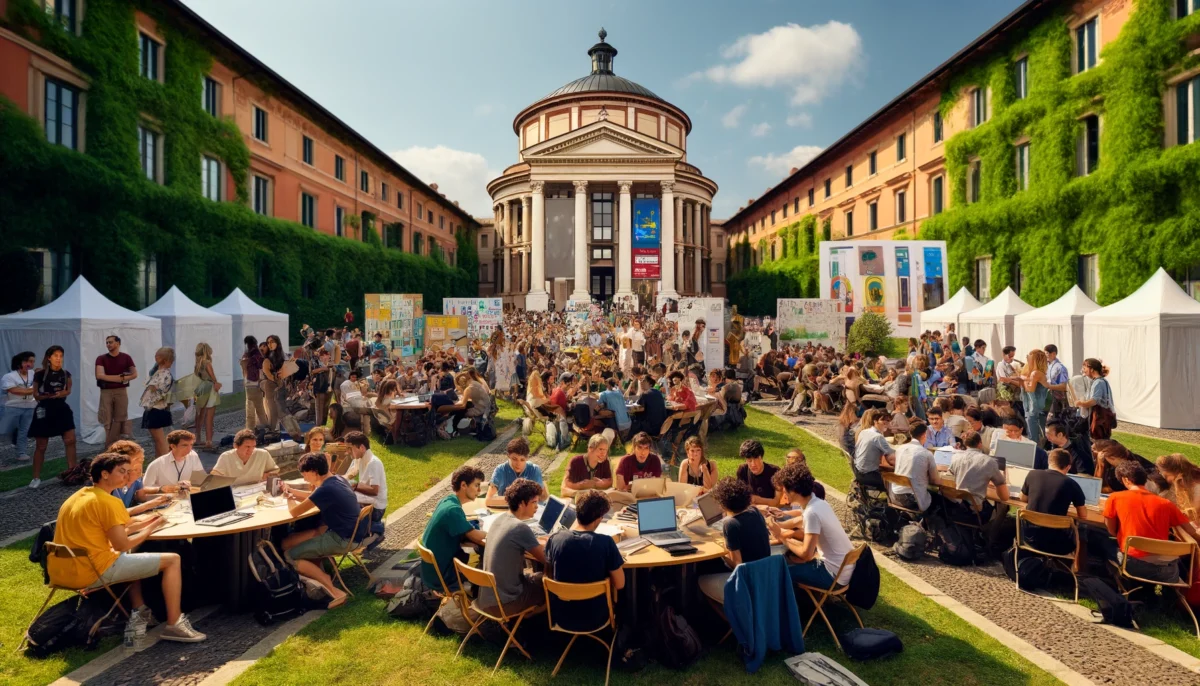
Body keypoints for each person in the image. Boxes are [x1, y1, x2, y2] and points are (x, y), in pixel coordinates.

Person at [49, 452, 206, 642]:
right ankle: (174, 624)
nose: (126, 476)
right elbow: (122, 542)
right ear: (105, 474)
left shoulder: (80, 496)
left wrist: (150, 520)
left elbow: (117, 527)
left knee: (133, 556)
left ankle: (140, 611)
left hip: (61, 571)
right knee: (173, 559)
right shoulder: (109, 501)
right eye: (122, 471)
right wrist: (152, 527)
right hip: (91, 571)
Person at [280, 453, 362, 608]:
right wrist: (292, 491)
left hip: (341, 539)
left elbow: (294, 513)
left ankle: (332, 589)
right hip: (353, 534)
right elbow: (312, 497)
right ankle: (320, 569)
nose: (304, 479)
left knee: (289, 555)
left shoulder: (325, 490)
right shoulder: (337, 480)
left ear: (314, 472)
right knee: (293, 541)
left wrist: (288, 497)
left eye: (305, 474)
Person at [1103, 462, 1200, 583]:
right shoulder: (1166, 504)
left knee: (1103, 542)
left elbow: (1111, 530)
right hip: (1168, 571)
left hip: (1133, 566)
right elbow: (1191, 531)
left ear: (1125, 480)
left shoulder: (1115, 498)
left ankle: (1114, 583)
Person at [767, 463, 857, 587]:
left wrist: (780, 536)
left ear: (793, 491)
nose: (783, 493)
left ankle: (789, 605)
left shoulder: (812, 513)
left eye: (784, 489)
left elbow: (806, 554)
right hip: (845, 570)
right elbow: (799, 521)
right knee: (789, 561)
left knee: (779, 572)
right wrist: (780, 525)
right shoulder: (819, 503)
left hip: (833, 576)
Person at [545, 489, 624, 630]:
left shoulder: (556, 538)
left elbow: (549, 571)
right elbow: (620, 584)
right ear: (599, 518)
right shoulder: (605, 543)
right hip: (596, 618)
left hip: (562, 616)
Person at [479, 478, 547, 614]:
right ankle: (539, 623)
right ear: (522, 503)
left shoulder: (500, 519)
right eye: (534, 502)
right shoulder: (520, 528)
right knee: (549, 583)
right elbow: (546, 559)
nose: (537, 506)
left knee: (537, 576)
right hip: (505, 603)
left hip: (487, 598)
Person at [421, 465, 487, 591]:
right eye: (476, 485)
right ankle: (484, 594)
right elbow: (477, 537)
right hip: (444, 576)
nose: (479, 491)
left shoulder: (447, 500)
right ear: (463, 485)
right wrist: (492, 529)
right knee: (483, 553)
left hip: (433, 572)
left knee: (474, 549)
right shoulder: (453, 510)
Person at [1021, 448, 1087, 554]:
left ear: (1049, 462)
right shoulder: (1071, 484)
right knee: (1082, 530)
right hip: (1057, 543)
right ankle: (1077, 566)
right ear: (1068, 467)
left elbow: (1023, 498)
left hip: (1028, 536)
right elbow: (1083, 515)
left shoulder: (1032, 474)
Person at [29, 345, 77, 489]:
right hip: (44, 409)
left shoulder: (65, 374)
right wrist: (45, 396)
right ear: (49, 358)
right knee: (41, 446)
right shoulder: (40, 374)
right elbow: (35, 394)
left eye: (61, 356)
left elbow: (68, 390)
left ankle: (72, 472)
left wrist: (61, 394)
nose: (58, 358)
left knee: (70, 440)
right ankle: (36, 477)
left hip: (61, 409)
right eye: (55, 355)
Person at [948, 431, 1009, 521]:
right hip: (976, 511)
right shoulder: (989, 461)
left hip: (959, 506)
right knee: (1003, 506)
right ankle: (992, 532)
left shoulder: (955, 457)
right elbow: (1004, 497)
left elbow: (951, 476)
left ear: (965, 444)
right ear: (980, 444)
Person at [338, 431, 388, 538]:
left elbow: (374, 491)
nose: (347, 452)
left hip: (376, 508)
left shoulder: (374, 462)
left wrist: (356, 486)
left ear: (361, 447)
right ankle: (369, 529)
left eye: (349, 448)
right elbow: (350, 474)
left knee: (343, 508)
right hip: (367, 501)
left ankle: (376, 527)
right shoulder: (360, 459)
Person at [95, 335, 137, 448]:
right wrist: (119, 378)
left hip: (121, 390)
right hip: (106, 391)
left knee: (120, 417)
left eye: (111, 342)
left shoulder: (126, 357)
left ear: (118, 343)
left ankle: (117, 443)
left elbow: (134, 374)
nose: (108, 344)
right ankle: (108, 444)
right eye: (107, 342)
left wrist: (122, 378)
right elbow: (99, 375)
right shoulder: (101, 358)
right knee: (107, 417)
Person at [108, 439, 171, 514]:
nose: (140, 463)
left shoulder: (137, 479)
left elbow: (141, 498)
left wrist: (163, 497)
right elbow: (117, 514)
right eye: (137, 459)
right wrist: (149, 504)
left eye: (142, 459)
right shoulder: (113, 484)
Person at [890, 422, 939, 512]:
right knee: (939, 497)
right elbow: (935, 481)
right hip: (912, 499)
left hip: (894, 495)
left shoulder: (900, 449)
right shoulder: (926, 454)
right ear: (924, 435)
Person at [486, 437, 547, 507]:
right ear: (508, 455)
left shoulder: (534, 470)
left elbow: (542, 498)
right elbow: (488, 500)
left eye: (522, 460)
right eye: (514, 459)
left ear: (527, 458)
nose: (518, 463)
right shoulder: (500, 470)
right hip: (508, 512)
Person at [139, 347, 175, 460]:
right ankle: (158, 464)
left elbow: (160, 392)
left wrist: (152, 390)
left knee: (161, 440)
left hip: (156, 409)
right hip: (154, 409)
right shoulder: (157, 373)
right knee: (158, 441)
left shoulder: (165, 374)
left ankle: (166, 463)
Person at [0, 351, 37, 461]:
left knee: (24, 431)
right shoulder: (9, 376)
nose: (30, 364)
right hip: (12, 407)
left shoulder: (33, 374)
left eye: (33, 362)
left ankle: (21, 453)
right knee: (5, 431)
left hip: (29, 407)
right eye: (28, 361)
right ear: (20, 362)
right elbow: (15, 390)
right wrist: (32, 389)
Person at [212, 429, 280, 485]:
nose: (251, 450)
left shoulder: (263, 454)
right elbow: (214, 477)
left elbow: (275, 471)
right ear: (236, 446)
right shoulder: (226, 457)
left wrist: (268, 475)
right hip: (234, 491)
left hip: (256, 488)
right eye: (247, 447)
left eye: (253, 446)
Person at [853, 409, 895, 491]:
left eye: (888, 421)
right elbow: (892, 460)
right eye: (883, 420)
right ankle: (893, 502)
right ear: (875, 421)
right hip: (868, 475)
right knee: (898, 483)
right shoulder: (878, 437)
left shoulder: (864, 432)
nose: (886, 423)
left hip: (858, 472)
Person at [191, 343, 221, 451]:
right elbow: (213, 377)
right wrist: (217, 383)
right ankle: (209, 441)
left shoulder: (197, 364)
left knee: (199, 415)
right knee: (209, 416)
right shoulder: (207, 363)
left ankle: (197, 438)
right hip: (209, 387)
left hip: (199, 388)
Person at [562, 434, 613, 498]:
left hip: (596, 499)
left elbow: (610, 481)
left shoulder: (605, 462)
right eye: (600, 449)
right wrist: (581, 485)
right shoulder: (575, 462)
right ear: (590, 448)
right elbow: (566, 484)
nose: (603, 453)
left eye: (605, 450)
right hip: (576, 498)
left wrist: (596, 484)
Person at [1076, 358, 1115, 440]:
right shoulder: (1099, 381)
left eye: (1085, 368)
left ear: (1092, 369)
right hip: (1101, 418)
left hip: (1100, 418)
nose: (1083, 370)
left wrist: (1080, 403)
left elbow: (1094, 401)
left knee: (1099, 442)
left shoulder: (1098, 383)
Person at [735, 439, 781, 507]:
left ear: (761, 457)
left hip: (771, 511)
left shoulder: (775, 471)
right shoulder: (742, 470)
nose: (753, 464)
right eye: (749, 460)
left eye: (756, 459)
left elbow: (777, 502)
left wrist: (757, 499)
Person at [1157, 454, 1200, 524]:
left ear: (1176, 474)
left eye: (1166, 476)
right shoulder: (1184, 482)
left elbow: (1192, 513)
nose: (1166, 480)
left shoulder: (1196, 487)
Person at [1021, 349, 1050, 447]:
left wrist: (1023, 380)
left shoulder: (1035, 373)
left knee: (1033, 438)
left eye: (1029, 357)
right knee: (1034, 435)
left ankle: (1036, 458)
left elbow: (1030, 389)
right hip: (1032, 407)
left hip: (1034, 408)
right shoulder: (1036, 372)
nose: (1027, 358)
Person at [241, 336, 268, 431]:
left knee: (251, 410)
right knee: (259, 409)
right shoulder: (257, 355)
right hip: (255, 383)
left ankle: (250, 430)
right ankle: (263, 429)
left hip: (251, 383)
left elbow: (246, 369)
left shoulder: (250, 356)